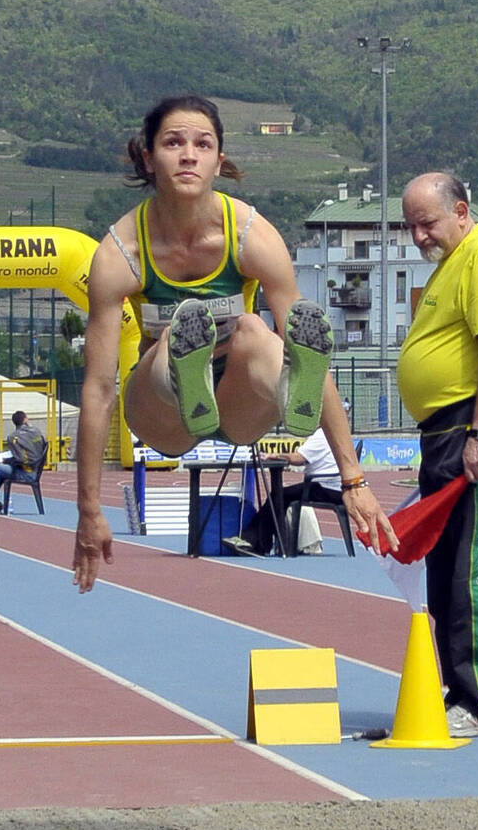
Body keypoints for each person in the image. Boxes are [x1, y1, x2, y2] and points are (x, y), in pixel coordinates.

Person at [72, 94, 397, 592]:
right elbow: (97, 389)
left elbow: (314, 356)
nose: (188, 154)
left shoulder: (251, 235)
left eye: (202, 145)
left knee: (254, 331)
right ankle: (184, 371)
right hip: (162, 415)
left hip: (239, 404)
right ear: (148, 158)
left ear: (219, 162)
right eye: (173, 142)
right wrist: (88, 511)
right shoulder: (120, 253)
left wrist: (353, 480)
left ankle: (289, 393)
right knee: (164, 351)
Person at [397, 172, 478, 739]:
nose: (420, 237)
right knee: (445, 564)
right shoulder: (451, 264)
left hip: (471, 422)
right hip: (443, 429)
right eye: (411, 228)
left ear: (462, 211)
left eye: (427, 223)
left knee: (474, 564)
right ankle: (458, 691)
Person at [223, 426, 341, 556]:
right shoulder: (336, 432)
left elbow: (299, 458)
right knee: (280, 496)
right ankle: (262, 542)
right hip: (335, 488)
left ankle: (255, 542)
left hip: (323, 487)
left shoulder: (321, 434)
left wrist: (276, 455)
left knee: (278, 496)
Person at [0, 410, 45, 512]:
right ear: (25, 419)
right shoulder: (37, 431)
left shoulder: (13, 437)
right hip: (35, 470)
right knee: (0, 471)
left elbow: (20, 459)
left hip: (25, 472)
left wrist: (8, 461)